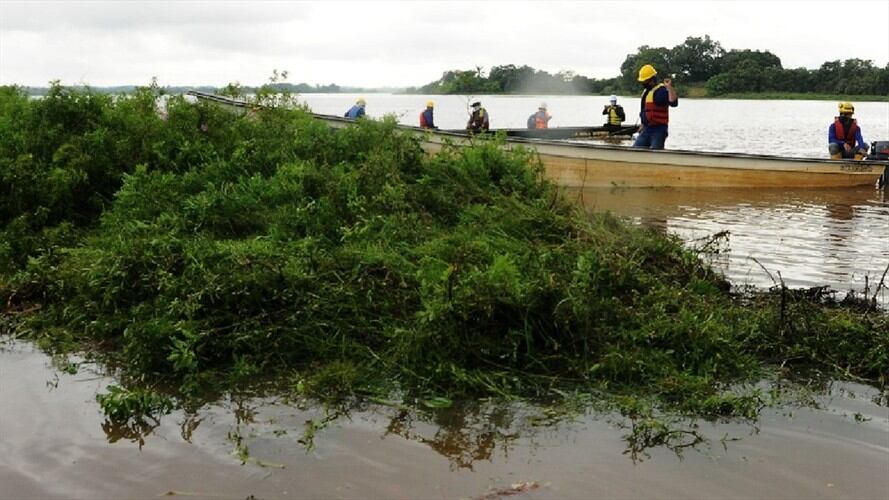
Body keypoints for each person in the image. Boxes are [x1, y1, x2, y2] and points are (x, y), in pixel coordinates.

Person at [633, 64, 678, 150]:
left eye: (645, 81)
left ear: (652, 80)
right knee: (635, 150)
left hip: (659, 130)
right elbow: (644, 110)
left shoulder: (661, 91)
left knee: (656, 152)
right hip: (646, 129)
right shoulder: (646, 92)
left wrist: (669, 87)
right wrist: (642, 124)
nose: (643, 83)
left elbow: (674, 103)